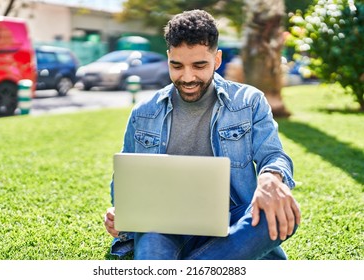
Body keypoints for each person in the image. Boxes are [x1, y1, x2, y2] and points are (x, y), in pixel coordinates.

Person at [104, 9, 301, 260]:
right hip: (164, 225)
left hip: (234, 220)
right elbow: (125, 183)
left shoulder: (249, 101)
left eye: (199, 65)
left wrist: (272, 178)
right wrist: (118, 213)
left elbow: (273, 155)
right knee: (151, 238)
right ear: (168, 58)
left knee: (285, 212)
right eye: (177, 65)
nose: (187, 77)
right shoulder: (144, 111)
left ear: (217, 60)